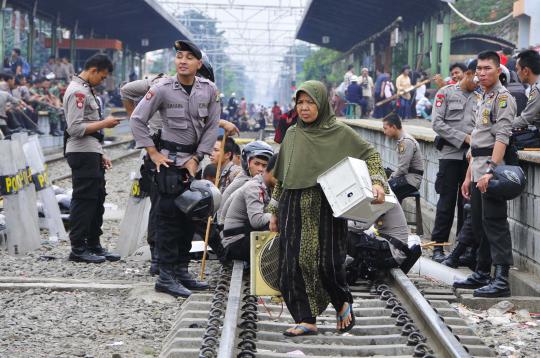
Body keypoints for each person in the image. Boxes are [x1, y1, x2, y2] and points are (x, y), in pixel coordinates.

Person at [269, 80, 388, 336]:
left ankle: (341, 300)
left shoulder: (340, 132)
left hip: (327, 204)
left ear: (322, 103)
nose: (304, 108)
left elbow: (371, 155)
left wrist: (377, 182)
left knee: (327, 262)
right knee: (292, 264)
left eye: (310, 102)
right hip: (292, 205)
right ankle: (305, 319)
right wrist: (274, 210)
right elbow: (283, 175)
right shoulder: (292, 133)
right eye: (300, 102)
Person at [130, 40, 219, 297]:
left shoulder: (209, 90)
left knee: (189, 219)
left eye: (189, 57)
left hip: (192, 164)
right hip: (168, 163)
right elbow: (137, 119)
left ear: (198, 64)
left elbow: (212, 126)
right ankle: (166, 276)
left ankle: (181, 270)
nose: (182, 60)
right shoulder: (162, 88)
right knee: (168, 220)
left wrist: (199, 157)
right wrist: (153, 152)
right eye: (179, 56)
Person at [456, 51, 517, 298]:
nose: (481, 73)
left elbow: (502, 137)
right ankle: (482, 273)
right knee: (480, 225)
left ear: (499, 70)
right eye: (479, 69)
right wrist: (469, 174)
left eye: (487, 69)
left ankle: (501, 280)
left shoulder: (503, 99)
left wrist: (492, 171)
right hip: (478, 166)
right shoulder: (483, 97)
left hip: (492, 170)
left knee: (495, 224)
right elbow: (477, 142)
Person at [64, 54, 121, 263]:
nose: (103, 81)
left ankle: (93, 244)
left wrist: (100, 152)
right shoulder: (78, 92)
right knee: (84, 199)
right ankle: (78, 248)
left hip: (91, 151)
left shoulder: (86, 90)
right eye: (103, 77)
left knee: (97, 199)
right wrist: (105, 123)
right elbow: (75, 128)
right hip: (81, 151)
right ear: (94, 70)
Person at [430, 66, 480, 262]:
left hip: (470, 158)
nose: (478, 83)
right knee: (446, 202)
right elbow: (437, 123)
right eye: (475, 78)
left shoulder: (480, 97)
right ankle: (438, 245)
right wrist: (464, 138)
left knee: (466, 205)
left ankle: (462, 249)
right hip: (450, 154)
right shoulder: (446, 93)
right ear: (467, 74)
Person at [222, 154, 277, 262]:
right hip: (235, 243)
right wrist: (278, 215)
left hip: (244, 237)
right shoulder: (254, 187)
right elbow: (257, 220)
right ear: (274, 172)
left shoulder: (265, 186)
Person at [217, 140, 274, 225]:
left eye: (265, 166)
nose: (260, 169)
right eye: (257, 163)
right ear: (246, 163)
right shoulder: (246, 182)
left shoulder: (253, 180)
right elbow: (257, 219)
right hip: (231, 232)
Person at [383, 113, 424, 202]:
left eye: (385, 128)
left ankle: (389, 215)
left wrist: (389, 179)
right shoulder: (402, 140)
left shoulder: (406, 142)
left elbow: (402, 169)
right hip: (407, 178)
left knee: (384, 190)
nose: (384, 132)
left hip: (411, 181)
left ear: (393, 127)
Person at [512, 49, 540, 128]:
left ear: (525, 71)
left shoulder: (537, 90)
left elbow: (524, 120)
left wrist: (500, 125)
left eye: (517, 69)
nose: (516, 73)